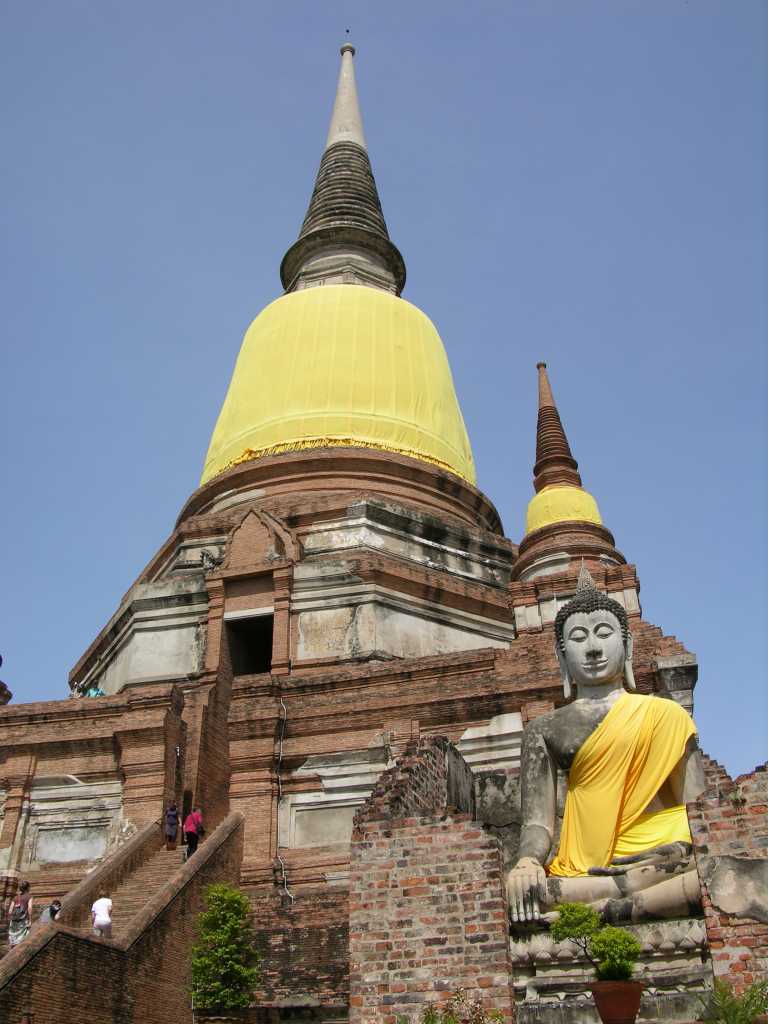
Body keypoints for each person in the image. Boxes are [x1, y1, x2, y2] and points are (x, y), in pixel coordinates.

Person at [505, 566, 705, 925]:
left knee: (706, 866)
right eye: (579, 638)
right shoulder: (544, 729)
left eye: (603, 633)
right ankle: (615, 904)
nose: (594, 648)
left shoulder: (666, 715)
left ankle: (599, 911)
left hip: (661, 858)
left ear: (626, 645)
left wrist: (680, 844)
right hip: (582, 868)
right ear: (562, 656)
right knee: (530, 894)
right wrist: (527, 861)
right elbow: (539, 825)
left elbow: (697, 810)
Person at [6, 880, 33, 947]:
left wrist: (10, 919)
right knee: (22, 939)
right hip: (23, 921)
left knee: (13, 938)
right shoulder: (29, 897)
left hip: (14, 920)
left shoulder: (15, 898)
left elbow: (10, 911)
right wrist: (30, 920)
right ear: (28, 888)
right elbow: (29, 908)